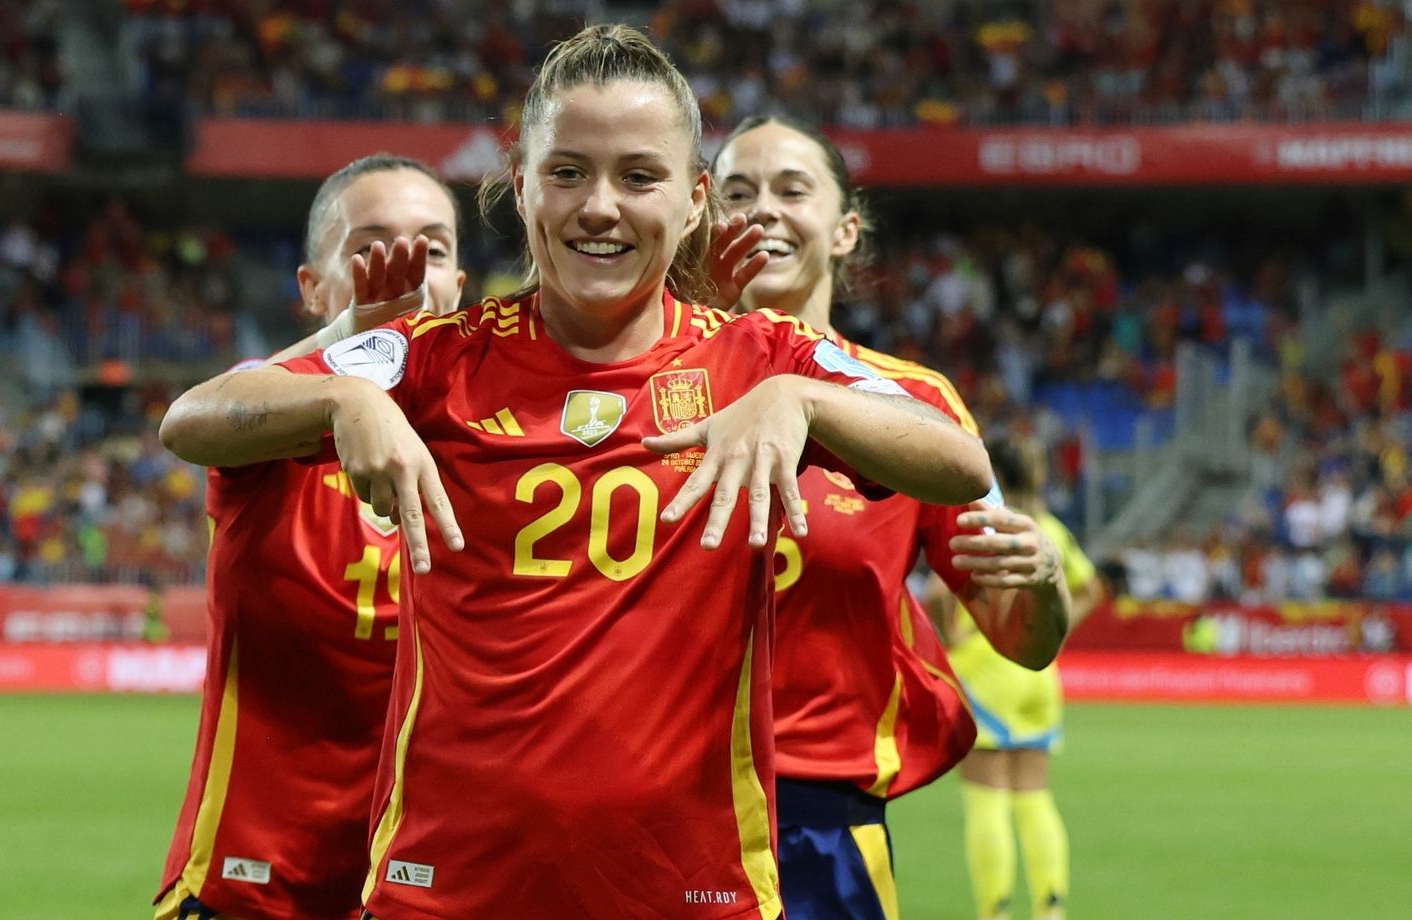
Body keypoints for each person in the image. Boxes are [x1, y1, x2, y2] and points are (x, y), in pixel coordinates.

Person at [159, 24, 992, 919]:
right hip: (443, 894)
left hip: (690, 897)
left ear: (694, 202)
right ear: (520, 188)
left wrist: (803, 401)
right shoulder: (439, 354)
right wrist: (341, 398)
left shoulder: (759, 356)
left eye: (639, 177)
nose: (599, 206)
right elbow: (193, 419)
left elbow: (958, 461)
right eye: (567, 172)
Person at [711, 116, 1074, 920]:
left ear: (846, 230)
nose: (763, 208)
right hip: (655, 807)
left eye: (791, 189)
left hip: (822, 830)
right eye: (738, 191)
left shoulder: (916, 412)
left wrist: (1043, 578)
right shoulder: (642, 383)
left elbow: (1022, 638)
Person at [154, 154, 466, 920]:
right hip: (251, 890)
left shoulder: (497, 445)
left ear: (460, 285)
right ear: (313, 289)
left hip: (420, 892)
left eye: (432, 249)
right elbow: (187, 421)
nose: (407, 274)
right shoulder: (271, 426)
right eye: (370, 249)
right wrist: (347, 363)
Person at [929, 441, 1105, 920]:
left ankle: (996, 910)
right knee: (1034, 797)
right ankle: (1051, 907)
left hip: (987, 670)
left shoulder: (984, 525)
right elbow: (1090, 589)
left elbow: (938, 591)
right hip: (1039, 675)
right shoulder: (1049, 529)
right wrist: (1051, 630)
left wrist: (955, 635)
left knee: (986, 800)